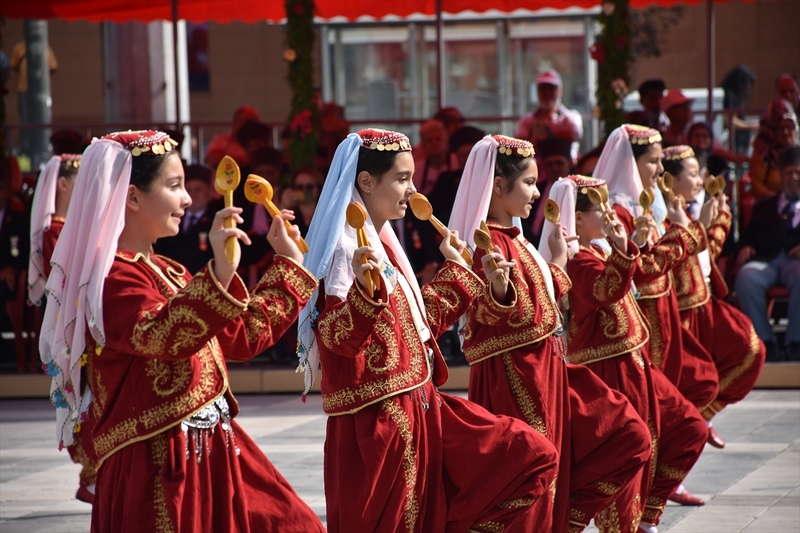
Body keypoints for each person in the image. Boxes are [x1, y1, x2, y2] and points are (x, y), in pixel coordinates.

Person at [39, 130, 326, 533]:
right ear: (133, 197)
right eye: (174, 186)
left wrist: (288, 263)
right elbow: (163, 336)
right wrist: (221, 272)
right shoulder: (109, 279)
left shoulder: (170, 271)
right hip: (158, 461)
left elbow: (243, 336)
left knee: (295, 524)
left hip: (213, 451)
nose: (188, 199)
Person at [297, 128, 559, 533]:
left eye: (412, 178)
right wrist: (366, 296)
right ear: (366, 182)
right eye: (402, 179)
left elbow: (414, 329)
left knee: (530, 457)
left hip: (420, 408)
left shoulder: (384, 248)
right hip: (377, 428)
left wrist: (458, 272)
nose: (412, 190)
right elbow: (336, 339)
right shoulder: (345, 253)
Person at [450, 137, 651, 533]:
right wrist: (505, 289)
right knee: (531, 478)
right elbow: (496, 316)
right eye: (528, 183)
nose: (537, 192)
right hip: (517, 379)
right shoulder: (483, 245)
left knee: (627, 436)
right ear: (497, 186)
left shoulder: (517, 241)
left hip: (548, 374)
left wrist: (556, 264)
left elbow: (539, 306)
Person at [544, 170, 706, 533]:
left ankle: (646, 517)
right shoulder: (577, 260)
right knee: (632, 447)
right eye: (598, 208)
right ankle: (621, 526)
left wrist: (625, 246)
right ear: (578, 218)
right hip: (609, 368)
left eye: (607, 205)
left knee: (688, 428)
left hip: (635, 361)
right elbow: (605, 291)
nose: (608, 213)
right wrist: (623, 249)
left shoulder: (597, 251)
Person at [593, 124, 712, 516]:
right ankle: (635, 508)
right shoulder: (620, 210)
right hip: (640, 317)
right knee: (650, 417)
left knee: (674, 406)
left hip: (660, 311)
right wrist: (684, 233)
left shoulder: (647, 202)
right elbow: (639, 268)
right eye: (654, 161)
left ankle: (652, 501)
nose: (660, 168)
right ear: (633, 162)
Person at [663, 145, 766, 445]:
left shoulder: (686, 212)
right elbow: (681, 259)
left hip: (702, 305)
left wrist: (717, 222)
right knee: (691, 385)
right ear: (670, 181)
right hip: (678, 315)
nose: (699, 181)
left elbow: (703, 257)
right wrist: (712, 225)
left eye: (700, 174)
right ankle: (684, 444)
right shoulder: (663, 218)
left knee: (750, 350)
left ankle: (702, 418)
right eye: (693, 175)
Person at [27, 153, 98, 503]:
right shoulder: (57, 229)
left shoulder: (72, 225)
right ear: (65, 184)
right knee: (82, 391)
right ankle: (92, 472)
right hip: (72, 320)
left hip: (81, 315)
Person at [735, 144, 800, 361]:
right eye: (789, 172)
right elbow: (746, 235)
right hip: (766, 261)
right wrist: (745, 246)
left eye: (798, 172)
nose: (793, 177)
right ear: (781, 177)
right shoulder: (764, 207)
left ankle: (795, 343)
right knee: (746, 277)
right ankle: (765, 343)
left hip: (795, 262)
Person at [153, 164, 223, 274]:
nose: (193, 194)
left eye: (198, 189)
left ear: (209, 194)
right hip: (173, 279)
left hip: (203, 281)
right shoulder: (171, 217)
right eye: (189, 189)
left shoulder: (216, 221)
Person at [515, 70, 583, 162]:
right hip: (537, 172)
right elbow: (519, 147)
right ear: (537, 91)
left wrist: (545, 133)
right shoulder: (526, 120)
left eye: (551, 88)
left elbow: (575, 134)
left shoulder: (572, 117)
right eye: (542, 88)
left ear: (560, 91)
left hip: (567, 172)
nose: (547, 93)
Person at [9, 41, 58, 158]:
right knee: (25, 119)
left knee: (42, 119)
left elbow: (53, 67)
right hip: (23, 89)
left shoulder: (45, 48)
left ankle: (44, 147)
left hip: (41, 91)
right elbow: (14, 66)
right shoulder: (19, 48)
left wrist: (42, 80)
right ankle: (26, 148)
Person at [750, 101, 798, 200]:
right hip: (771, 207)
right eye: (781, 128)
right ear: (773, 129)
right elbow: (756, 185)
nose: (785, 132)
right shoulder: (764, 151)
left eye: (789, 127)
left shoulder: (798, 150)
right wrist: (780, 200)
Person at [279, 166, 324, 237]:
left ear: (318, 189)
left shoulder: (324, 214)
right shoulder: (290, 215)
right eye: (299, 187)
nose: (304, 190)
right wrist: (283, 205)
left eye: (309, 186)